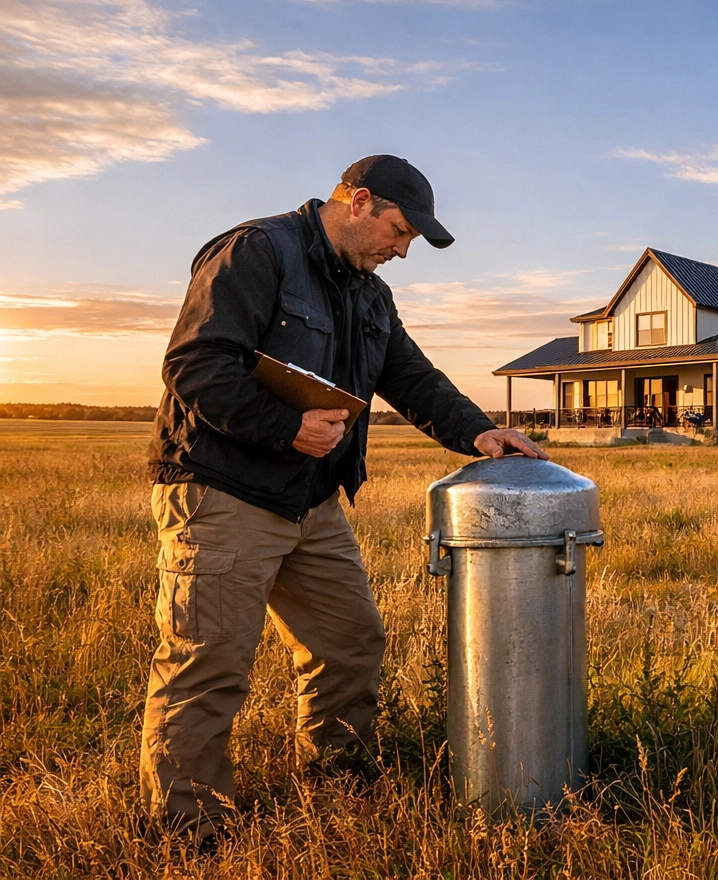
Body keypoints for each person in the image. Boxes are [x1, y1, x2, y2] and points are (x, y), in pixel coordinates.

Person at [141, 154, 546, 846]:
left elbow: (412, 378)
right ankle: (190, 830)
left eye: (411, 240)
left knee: (350, 642)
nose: (402, 249)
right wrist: (285, 426)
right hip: (223, 492)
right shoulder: (257, 252)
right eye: (398, 231)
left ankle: (337, 782)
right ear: (358, 202)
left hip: (311, 500)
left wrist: (479, 431)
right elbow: (194, 365)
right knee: (208, 662)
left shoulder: (369, 293)